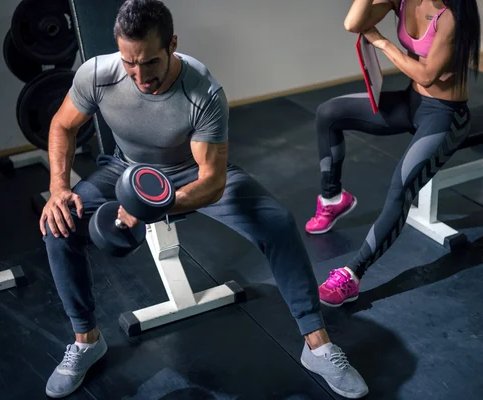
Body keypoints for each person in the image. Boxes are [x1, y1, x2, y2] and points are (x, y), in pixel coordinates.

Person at [39, 0, 368, 398]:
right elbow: (62, 124)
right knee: (59, 226)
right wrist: (59, 187)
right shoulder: (97, 74)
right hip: (125, 170)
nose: (139, 75)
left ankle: (317, 344)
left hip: (192, 171)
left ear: (172, 44)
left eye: (150, 62)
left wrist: (145, 210)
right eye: (129, 62)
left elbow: (211, 182)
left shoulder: (203, 91)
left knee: (277, 222)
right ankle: (87, 340)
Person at [305, 0, 481, 306]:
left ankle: (352, 274)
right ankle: (333, 198)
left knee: (400, 189)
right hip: (411, 102)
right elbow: (352, 23)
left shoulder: (453, 15)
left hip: (445, 116)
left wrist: (382, 41)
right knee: (328, 113)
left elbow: (426, 75)